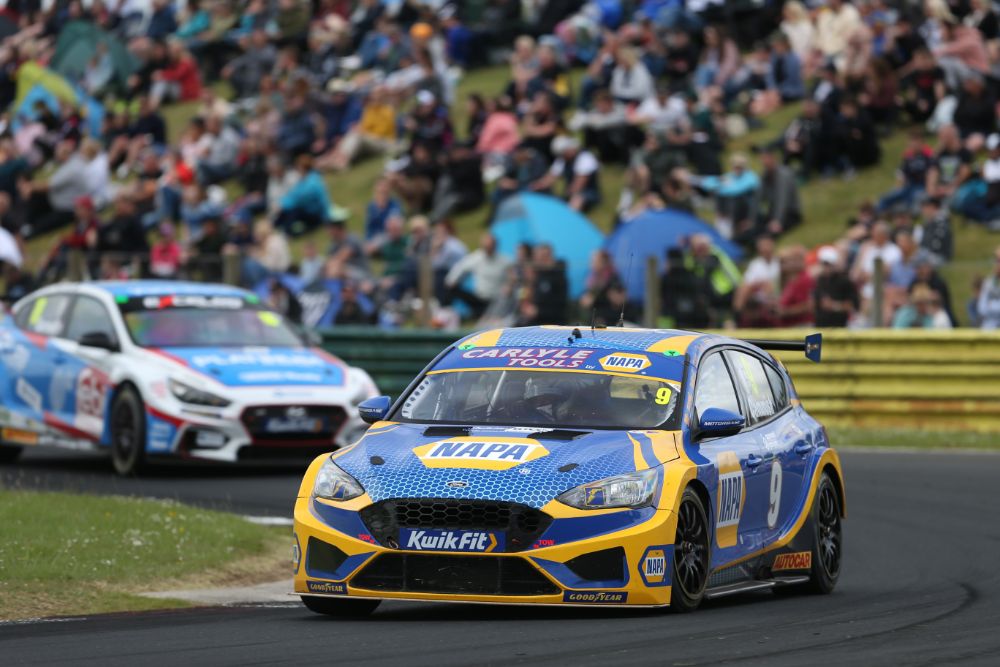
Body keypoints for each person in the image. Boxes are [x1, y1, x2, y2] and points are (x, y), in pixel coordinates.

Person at [443, 232, 513, 319]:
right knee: (451, 287)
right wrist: (452, 280)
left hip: (497, 299)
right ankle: (445, 313)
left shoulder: (505, 261)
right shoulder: (476, 258)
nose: (488, 248)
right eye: (486, 246)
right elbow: (461, 268)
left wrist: (509, 285)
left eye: (490, 246)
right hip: (479, 299)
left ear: (495, 246)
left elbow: (513, 275)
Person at [531, 135, 601, 213]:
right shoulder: (562, 160)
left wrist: (567, 195)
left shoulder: (585, 158)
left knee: (577, 199)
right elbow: (550, 178)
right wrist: (535, 186)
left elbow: (578, 185)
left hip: (588, 193)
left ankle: (569, 217)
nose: (562, 156)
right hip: (570, 193)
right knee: (552, 200)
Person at [877, 130, 935, 213]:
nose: (913, 145)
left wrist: (930, 189)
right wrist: (899, 187)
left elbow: (933, 172)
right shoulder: (908, 157)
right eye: (911, 142)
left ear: (921, 142)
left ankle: (901, 212)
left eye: (916, 142)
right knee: (887, 197)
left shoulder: (928, 155)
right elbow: (901, 174)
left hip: (922, 187)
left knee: (914, 201)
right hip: (908, 186)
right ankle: (878, 212)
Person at [813, 245, 859, 327]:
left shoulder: (845, 281)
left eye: (828, 264)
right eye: (824, 264)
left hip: (840, 326)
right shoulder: (819, 281)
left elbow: (853, 306)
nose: (826, 267)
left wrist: (834, 306)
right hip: (821, 325)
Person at [977, 245, 1000, 329]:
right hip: (989, 329)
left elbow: (987, 307)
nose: (997, 264)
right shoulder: (988, 282)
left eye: (999, 260)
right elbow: (982, 308)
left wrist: (990, 304)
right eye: (996, 260)